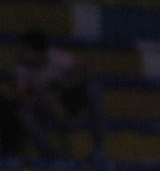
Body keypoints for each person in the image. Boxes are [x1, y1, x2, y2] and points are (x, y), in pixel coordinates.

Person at [14, 30, 105, 163]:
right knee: (24, 113)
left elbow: (89, 71)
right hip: (43, 105)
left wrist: (64, 85)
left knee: (93, 89)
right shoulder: (21, 66)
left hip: (66, 100)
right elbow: (21, 95)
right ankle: (53, 155)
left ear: (38, 52)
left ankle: (99, 148)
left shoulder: (58, 58)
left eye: (24, 50)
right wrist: (49, 103)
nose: (20, 53)